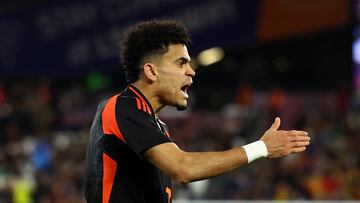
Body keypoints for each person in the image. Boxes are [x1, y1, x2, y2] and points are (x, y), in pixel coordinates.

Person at [84, 19, 310, 203]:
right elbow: (184, 168)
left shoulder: (156, 126)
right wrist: (261, 147)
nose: (191, 71)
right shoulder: (120, 107)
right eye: (181, 63)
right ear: (151, 72)